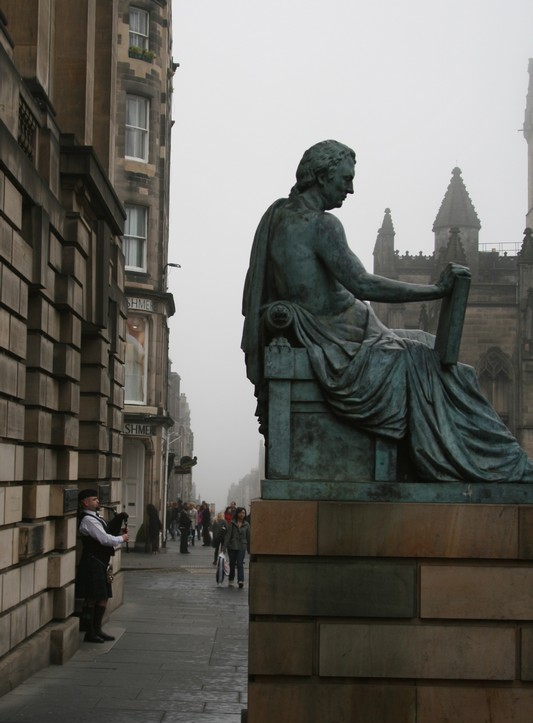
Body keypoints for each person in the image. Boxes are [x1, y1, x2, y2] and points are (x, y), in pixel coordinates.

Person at [242, 139, 533, 483]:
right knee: (443, 367)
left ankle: (499, 458)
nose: (350, 188)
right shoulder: (321, 224)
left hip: (337, 331)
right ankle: (497, 463)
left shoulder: (278, 214)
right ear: (321, 176)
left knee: (429, 344)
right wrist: (437, 290)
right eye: (345, 179)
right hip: (342, 337)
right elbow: (364, 285)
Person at [75, 489, 129, 643]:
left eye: (97, 499)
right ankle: (90, 632)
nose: (98, 501)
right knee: (92, 597)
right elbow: (104, 539)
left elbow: (107, 530)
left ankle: (97, 629)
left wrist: (118, 519)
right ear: (86, 503)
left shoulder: (96, 517)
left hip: (100, 562)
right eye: (94, 499)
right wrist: (122, 538)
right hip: (92, 562)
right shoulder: (88, 520)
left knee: (103, 596)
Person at [223, 506, 250, 589]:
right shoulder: (232, 523)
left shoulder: (246, 524)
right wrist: (224, 547)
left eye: (244, 513)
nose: (242, 514)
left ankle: (240, 581)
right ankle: (231, 579)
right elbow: (228, 535)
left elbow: (249, 537)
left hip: (242, 546)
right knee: (232, 563)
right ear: (237, 513)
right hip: (232, 546)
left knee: (240, 563)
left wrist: (249, 548)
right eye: (240, 513)